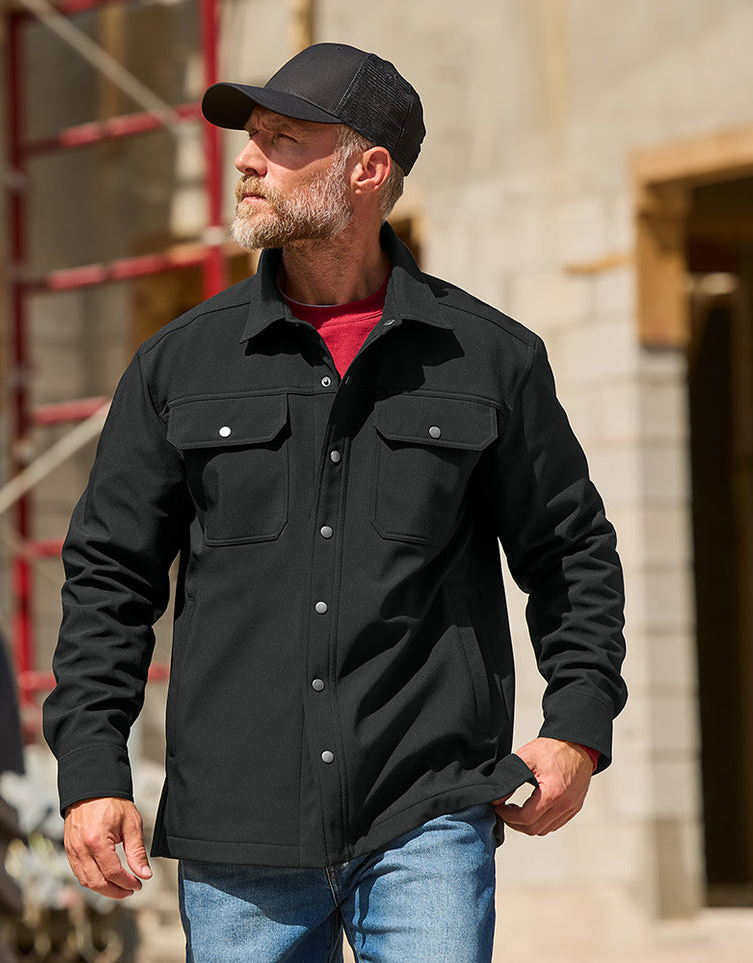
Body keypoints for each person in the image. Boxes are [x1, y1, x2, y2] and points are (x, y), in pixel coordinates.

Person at [43, 42, 626, 962]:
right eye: (250, 137)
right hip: (238, 829)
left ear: (367, 170)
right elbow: (109, 578)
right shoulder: (179, 366)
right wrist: (90, 767)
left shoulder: (489, 359)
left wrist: (576, 728)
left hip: (426, 811)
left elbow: (570, 551)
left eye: (281, 139)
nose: (246, 159)